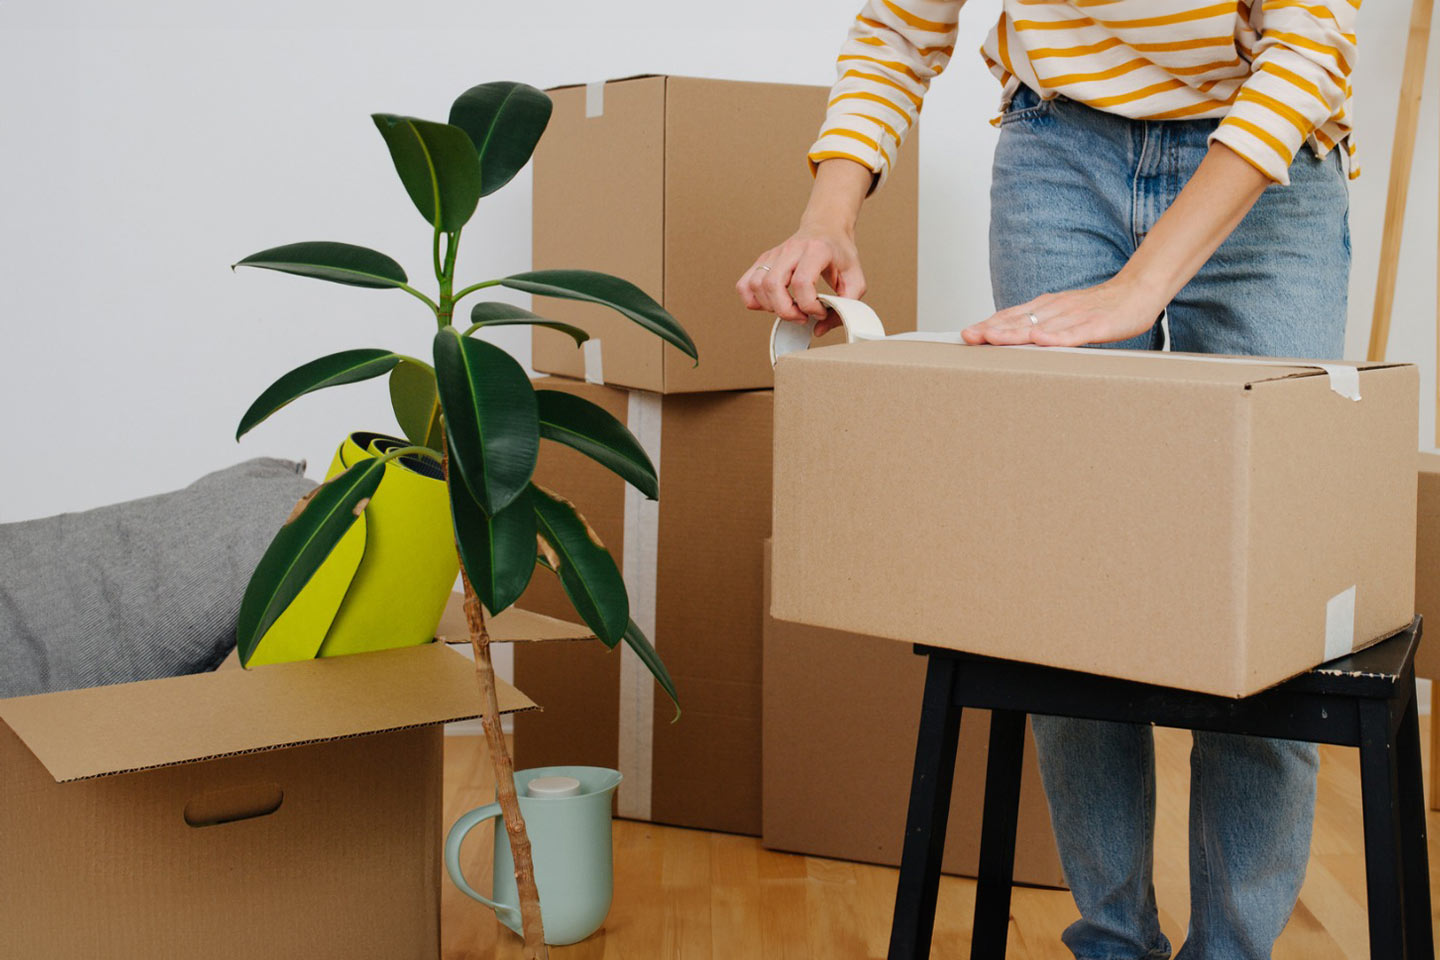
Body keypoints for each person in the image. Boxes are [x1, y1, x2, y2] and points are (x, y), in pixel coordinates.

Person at [738, 2, 1357, 958]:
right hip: (1059, 152)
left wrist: (1141, 285)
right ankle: (1111, 942)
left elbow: (1310, 40)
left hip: (1263, 158)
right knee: (1065, 582)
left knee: (1267, 591)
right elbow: (900, 28)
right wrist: (829, 216)